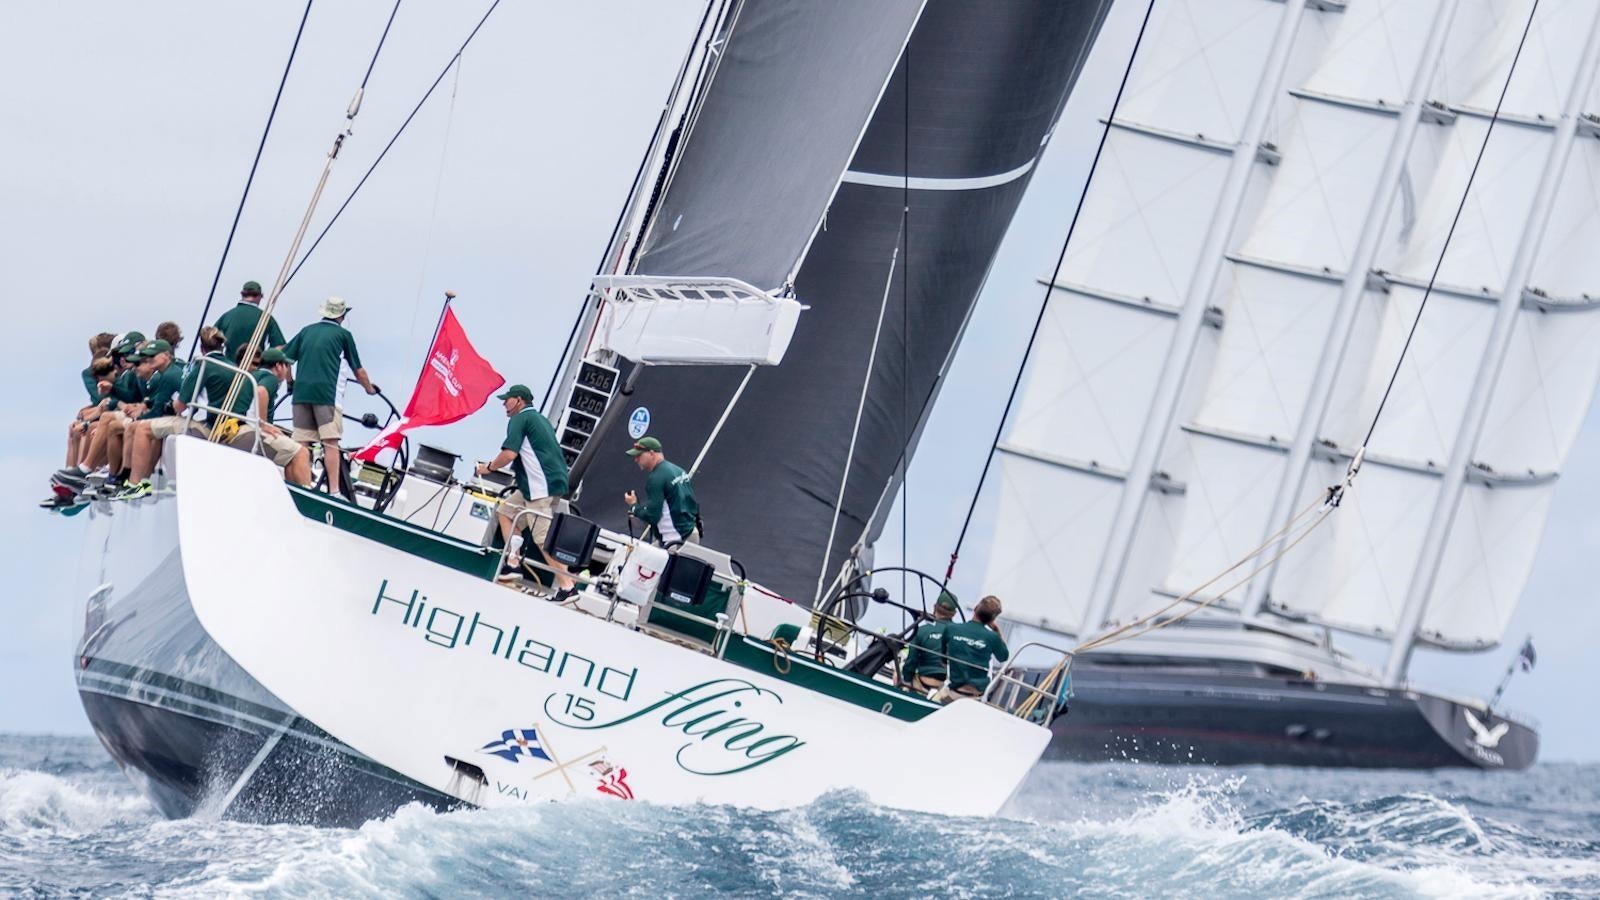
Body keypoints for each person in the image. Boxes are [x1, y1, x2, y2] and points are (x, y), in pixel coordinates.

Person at [475, 384, 574, 597]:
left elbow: (509, 454)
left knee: (541, 537)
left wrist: (488, 468)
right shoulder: (540, 419)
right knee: (506, 511)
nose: (504, 404)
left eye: (507, 400)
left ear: (519, 400)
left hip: (540, 486)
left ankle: (567, 587)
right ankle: (513, 563)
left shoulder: (519, 419)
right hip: (547, 484)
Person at [284, 296, 377, 495]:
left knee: (300, 443)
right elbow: (358, 371)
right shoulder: (344, 336)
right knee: (330, 443)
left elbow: (285, 360)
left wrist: (291, 383)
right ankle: (334, 492)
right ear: (341, 316)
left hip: (300, 395)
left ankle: (297, 485)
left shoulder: (306, 331)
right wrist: (370, 389)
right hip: (327, 397)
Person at [622, 436, 700, 545]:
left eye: (639, 455)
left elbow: (652, 517)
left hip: (675, 539)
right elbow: (692, 504)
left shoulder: (656, 478)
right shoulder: (678, 470)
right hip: (690, 532)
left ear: (651, 453)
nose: (636, 459)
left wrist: (634, 506)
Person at [940, 595, 1010, 701]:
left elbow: (943, 660)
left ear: (976, 608)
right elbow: (1003, 657)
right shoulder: (992, 637)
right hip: (976, 698)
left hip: (953, 692)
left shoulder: (951, 628)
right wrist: (997, 631)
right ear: (993, 619)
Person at [900, 592, 959, 694]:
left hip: (923, 684)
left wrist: (906, 683)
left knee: (898, 670)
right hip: (948, 689)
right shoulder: (960, 633)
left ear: (935, 607)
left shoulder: (922, 630)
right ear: (954, 614)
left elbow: (911, 662)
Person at [214, 280, 285, 361]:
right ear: (260, 296)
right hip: (253, 371)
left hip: (228, 369)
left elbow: (210, 339)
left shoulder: (226, 316)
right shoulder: (266, 318)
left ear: (242, 294)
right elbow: (279, 347)